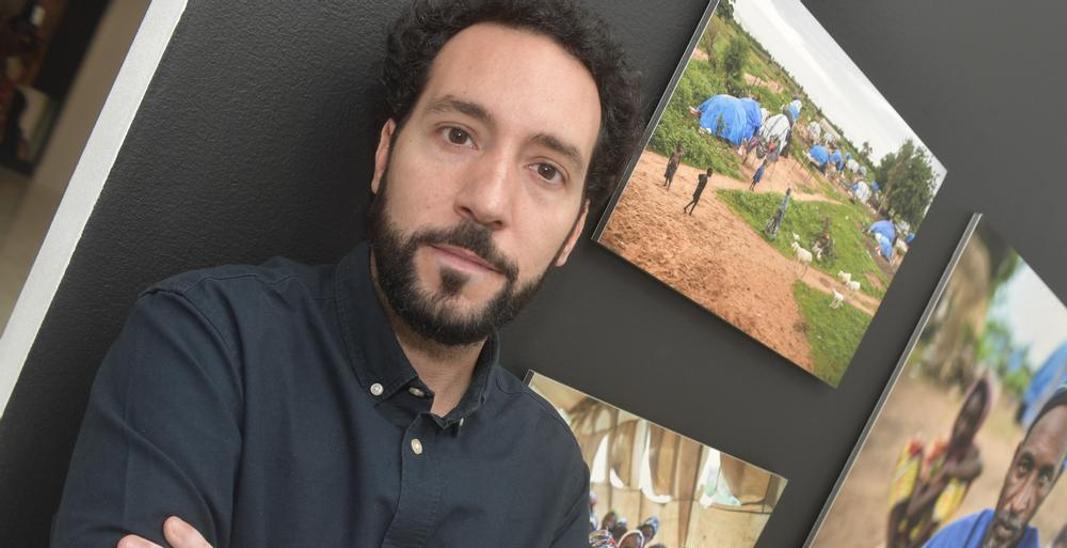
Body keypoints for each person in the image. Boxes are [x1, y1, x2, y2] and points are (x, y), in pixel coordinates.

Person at [50, 1, 643, 546]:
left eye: (545, 170)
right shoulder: (205, 342)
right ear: (386, 154)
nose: (488, 201)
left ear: (571, 232)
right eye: (458, 134)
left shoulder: (554, 476)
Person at [924, 383, 1067, 548]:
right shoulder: (957, 537)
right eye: (1023, 467)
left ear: (1053, 484)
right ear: (1014, 459)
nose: (1017, 504)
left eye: (1043, 480)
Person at [888, 376, 995, 548]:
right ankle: (890, 542)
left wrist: (947, 472)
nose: (962, 427)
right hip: (908, 520)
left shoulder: (971, 457)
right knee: (912, 449)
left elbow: (978, 467)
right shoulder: (943, 446)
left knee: (955, 485)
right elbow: (911, 508)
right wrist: (924, 470)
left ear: (978, 425)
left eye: (971, 423)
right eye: (963, 417)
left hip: (922, 531)